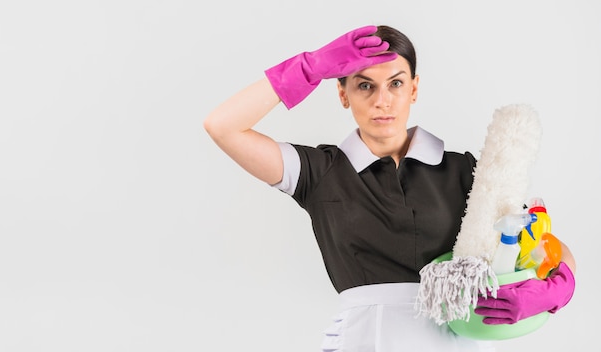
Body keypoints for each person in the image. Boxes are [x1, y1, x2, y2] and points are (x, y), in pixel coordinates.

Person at [203, 25, 576, 351]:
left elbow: (544, 244)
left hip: (458, 340)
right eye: (365, 85)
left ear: (414, 89)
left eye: (396, 83)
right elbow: (223, 126)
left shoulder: (467, 171)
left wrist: (557, 288)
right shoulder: (319, 171)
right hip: (367, 340)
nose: (382, 100)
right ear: (343, 94)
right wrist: (309, 67)